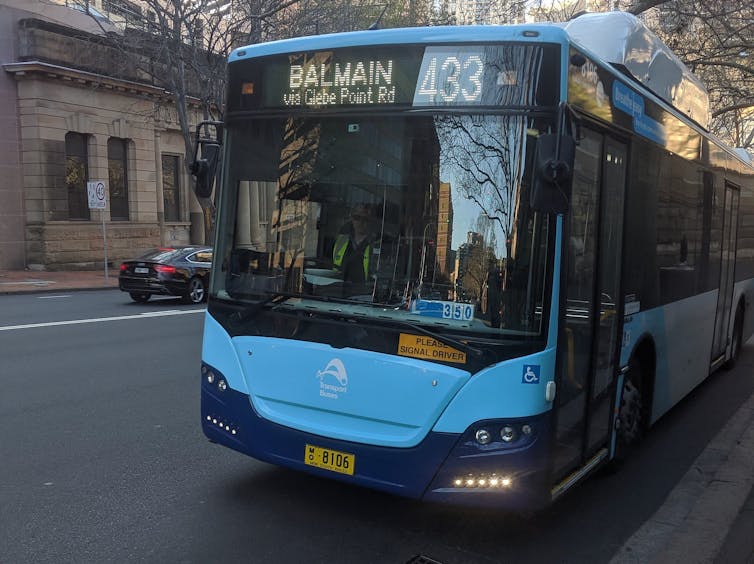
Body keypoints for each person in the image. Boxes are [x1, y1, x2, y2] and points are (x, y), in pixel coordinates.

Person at [332, 203, 375, 286]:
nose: (360, 222)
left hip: (365, 294)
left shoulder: (377, 245)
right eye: (357, 218)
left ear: (371, 220)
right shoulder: (341, 241)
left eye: (365, 219)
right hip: (339, 292)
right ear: (351, 218)